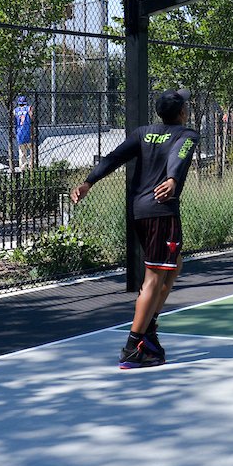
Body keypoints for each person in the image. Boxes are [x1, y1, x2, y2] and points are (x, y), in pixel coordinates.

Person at [71, 89, 200, 369]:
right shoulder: (186, 135)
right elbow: (179, 156)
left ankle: (149, 326)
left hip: (139, 210)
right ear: (182, 113)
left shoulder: (144, 132)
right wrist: (173, 179)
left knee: (173, 265)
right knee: (154, 278)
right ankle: (134, 344)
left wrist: (88, 182)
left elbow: (113, 157)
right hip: (160, 211)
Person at [13, 96, 34, 170]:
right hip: (28, 132)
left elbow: (14, 122)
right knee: (32, 151)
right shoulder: (29, 108)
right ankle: (31, 167)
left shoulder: (15, 110)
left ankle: (23, 169)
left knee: (22, 153)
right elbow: (32, 118)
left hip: (19, 133)